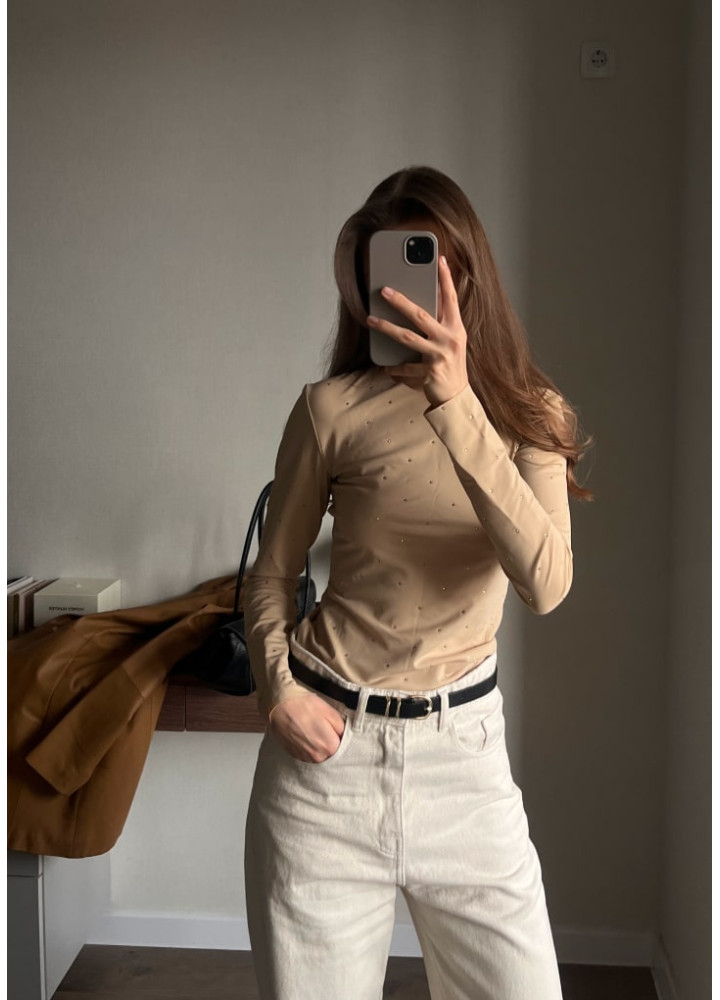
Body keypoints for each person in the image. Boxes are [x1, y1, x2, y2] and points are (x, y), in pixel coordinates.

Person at [243, 165, 591, 1000]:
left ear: (466, 274)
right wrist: (276, 688)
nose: (404, 297)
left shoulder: (533, 414)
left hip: (464, 766)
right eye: (384, 276)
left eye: (426, 267)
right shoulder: (331, 409)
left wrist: (456, 403)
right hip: (324, 767)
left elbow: (546, 584)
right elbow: (272, 574)